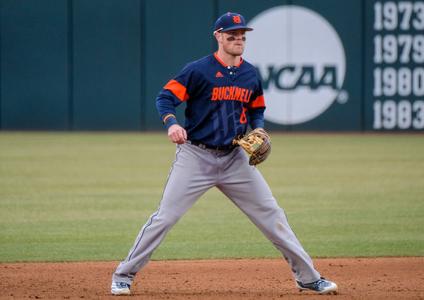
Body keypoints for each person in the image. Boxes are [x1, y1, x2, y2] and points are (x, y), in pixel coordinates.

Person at [111, 12, 337, 296]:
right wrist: (172, 123)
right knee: (165, 218)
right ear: (218, 36)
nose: (238, 38)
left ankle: (308, 277)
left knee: (273, 216)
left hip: (235, 159)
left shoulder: (250, 73)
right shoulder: (198, 70)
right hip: (196, 156)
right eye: (232, 34)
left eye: (242, 34)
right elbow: (165, 97)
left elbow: (257, 108)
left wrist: (259, 129)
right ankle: (123, 275)